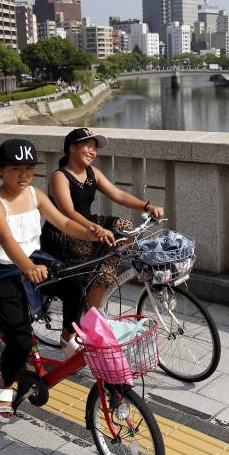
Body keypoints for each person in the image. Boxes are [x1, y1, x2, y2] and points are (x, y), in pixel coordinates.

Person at [0, 138, 114, 423]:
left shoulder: (35, 194)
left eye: (29, 168)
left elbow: (63, 222)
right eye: (15, 169)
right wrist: (27, 267)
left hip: (35, 259)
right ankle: (3, 386)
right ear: (0, 170)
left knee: (76, 287)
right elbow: (6, 239)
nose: (23, 175)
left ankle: (66, 339)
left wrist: (91, 232)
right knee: (20, 343)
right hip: (3, 270)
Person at [40, 127, 164, 346]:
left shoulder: (93, 173)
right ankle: (75, 321)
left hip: (89, 227)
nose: (92, 151)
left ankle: (95, 303)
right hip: (65, 234)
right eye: (88, 146)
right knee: (91, 258)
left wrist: (147, 206)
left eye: (95, 148)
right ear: (72, 148)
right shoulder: (59, 177)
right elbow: (68, 212)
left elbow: (118, 194)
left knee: (123, 232)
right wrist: (95, 230)